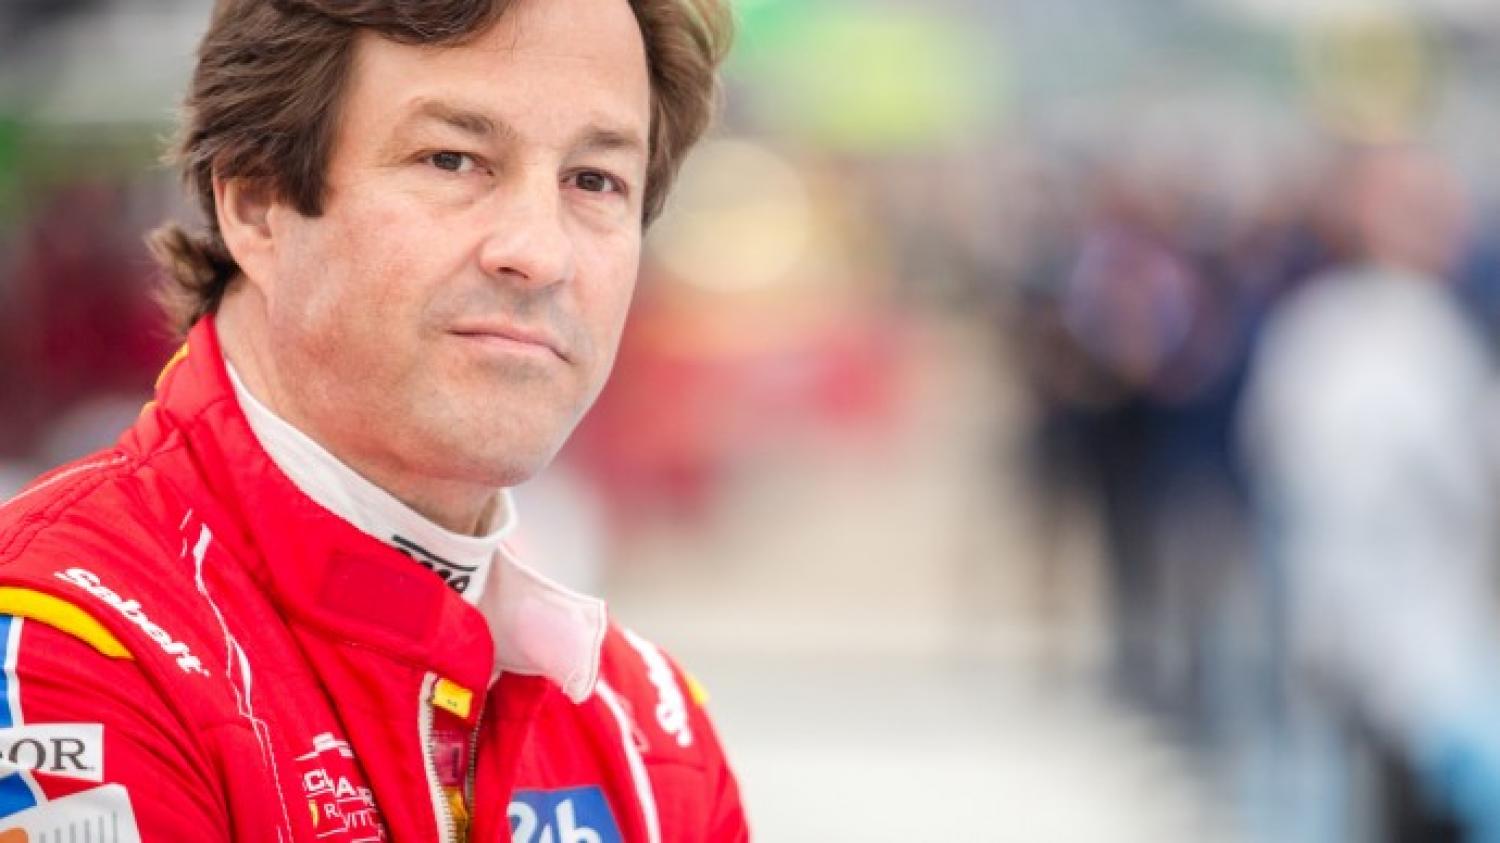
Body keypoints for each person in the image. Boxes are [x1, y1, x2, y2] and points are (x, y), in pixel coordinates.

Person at [0, 0, 745, 840]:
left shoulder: (650, 735)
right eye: (453, 159)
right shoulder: (58, 644)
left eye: (595, 180)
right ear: (256, 201)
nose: (540, 254)